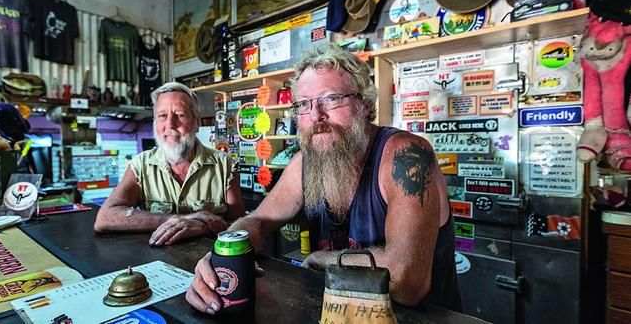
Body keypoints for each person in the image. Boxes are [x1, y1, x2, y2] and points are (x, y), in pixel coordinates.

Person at [186, 45, 461, 315]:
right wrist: (225, 255)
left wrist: (322, 259)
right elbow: (259, 221)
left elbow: (406, 281)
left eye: (331, 98)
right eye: (304, 104)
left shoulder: (406, 155)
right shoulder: (307, 160)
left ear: (365, 104)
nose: (316, 115)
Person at [94, 82, 245, 246]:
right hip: (156, 264)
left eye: (180, 115)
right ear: (155, 123)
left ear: (196, 122)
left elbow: (239, 227)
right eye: (162, 116)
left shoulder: (224, 166)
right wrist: (181, 219)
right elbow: (105, 218)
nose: (170, 125)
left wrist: (202, 227)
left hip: (209, 261)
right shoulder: (141, 165)